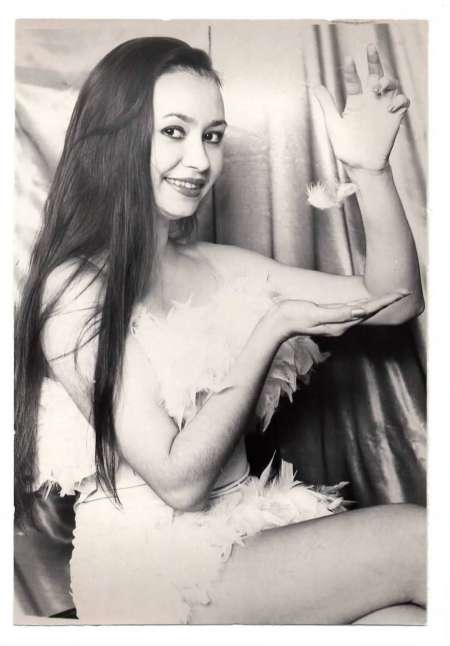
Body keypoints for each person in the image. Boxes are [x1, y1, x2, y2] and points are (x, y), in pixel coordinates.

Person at [14, 36, 425, 625]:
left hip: (248, 536)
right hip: (148, 571)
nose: (200, 160)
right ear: (115, 138)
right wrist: (272, 327)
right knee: (418, 540)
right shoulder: (74, 290)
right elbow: (179, 482)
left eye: (212, 136)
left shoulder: (223, 267)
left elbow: (396, 299)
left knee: (405, 625)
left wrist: (371, 170)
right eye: (174, 132)